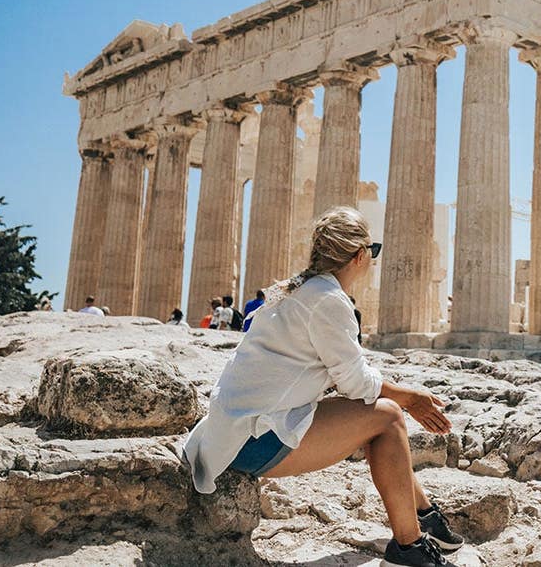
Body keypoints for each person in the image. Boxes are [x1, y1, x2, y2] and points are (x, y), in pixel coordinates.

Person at [181, 207, 462, 567]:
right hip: (251, 443)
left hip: (231, 432)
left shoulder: (296, 290)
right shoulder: (329, 301)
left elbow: (347, 377)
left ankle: (423, 515)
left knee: (377, 418)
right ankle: (409, 546)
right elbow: (356, 382)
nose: (372, 260)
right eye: (373, 252)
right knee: (388, 417)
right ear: (360, 256)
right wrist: (409, 398)